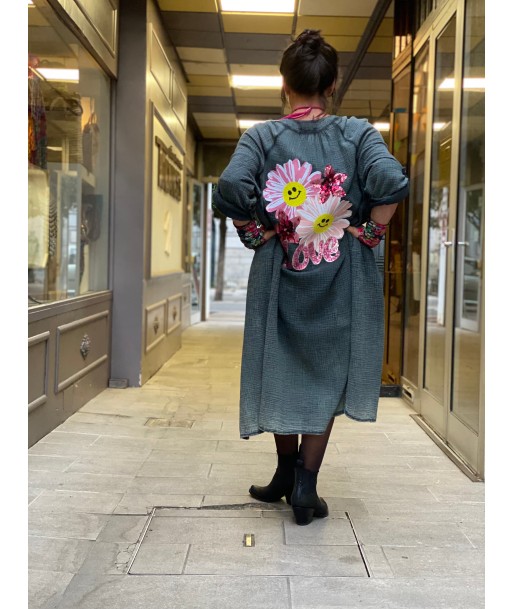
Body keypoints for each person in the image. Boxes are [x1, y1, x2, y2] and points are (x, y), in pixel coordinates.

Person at [213, 29, 409, 526]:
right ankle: (302, 485)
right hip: (341, 275)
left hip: (282, 271)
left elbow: (232, 186)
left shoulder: (261, 138)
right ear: (333, 83)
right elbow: (391, 182)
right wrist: (369, 231)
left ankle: (287, 474)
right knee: (325, 374)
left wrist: (256, 232)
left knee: (280, 367)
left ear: (284, 83)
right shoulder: (359, 134)